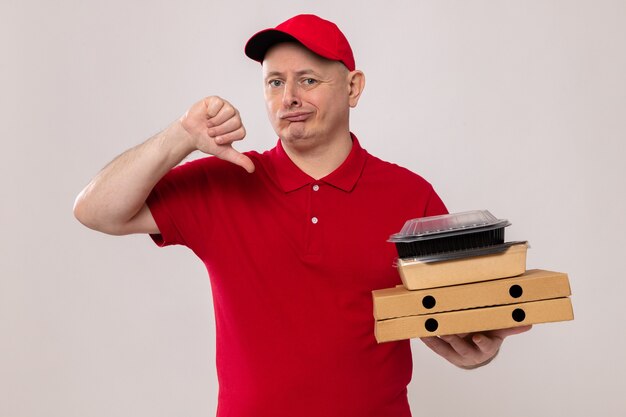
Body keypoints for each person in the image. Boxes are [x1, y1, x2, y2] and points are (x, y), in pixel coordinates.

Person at [74, 14, 530, 417]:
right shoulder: (224, 180)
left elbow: (460, 318)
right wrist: (180, 136)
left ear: (353, 88)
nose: (288, 97)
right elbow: (96, 211)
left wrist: (479, 353)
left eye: (308, 80)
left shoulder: (410, 195)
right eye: (275, 82)